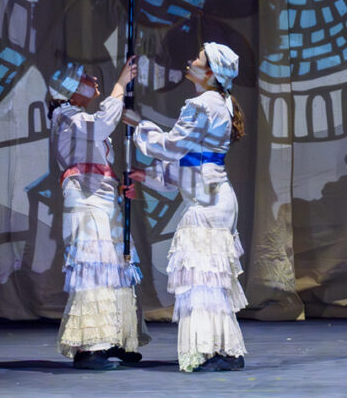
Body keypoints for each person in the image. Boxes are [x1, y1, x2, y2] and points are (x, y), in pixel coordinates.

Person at [129, 41, 248, 371]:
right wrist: (146, 176)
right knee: (209, 279)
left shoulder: (201, 104)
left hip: (207, 202)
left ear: (210, 73)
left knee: (201, 279)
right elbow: (189, 160)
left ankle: (214, 351)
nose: (191, 60)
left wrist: (140, 126)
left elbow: (172, 146)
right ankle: (223, 350)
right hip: (214, 196)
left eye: (198, 58)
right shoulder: (219, 102)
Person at [48, 58, 147, 370]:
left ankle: (115, 337)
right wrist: (120, 85)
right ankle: (90, 345)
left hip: (102, 197)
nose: (93, 79)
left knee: (116, 265)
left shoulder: (79, 118)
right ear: (70, 89)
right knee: (95, 265)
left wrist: (116, 185)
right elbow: (102, 125)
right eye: (84, 77)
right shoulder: (67, 115)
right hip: (86, 198)